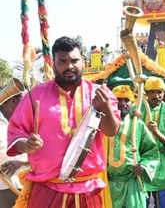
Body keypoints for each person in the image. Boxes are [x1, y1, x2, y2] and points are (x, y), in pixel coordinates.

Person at [7, 36, 121, 208]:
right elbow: (16, 131)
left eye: (74, 60)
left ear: (83, 61)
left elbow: (112, 131)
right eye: (63, 61)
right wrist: (26, 144)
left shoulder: (99, 94)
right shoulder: (36, 95)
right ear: (54, 63)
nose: (69, 66)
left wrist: (105, 107)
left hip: (88, 191)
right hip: (46, 190)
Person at [107, 84, 159, 208]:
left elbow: (151, 151)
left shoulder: (138, 125)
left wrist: (144, 166)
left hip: (132, 183)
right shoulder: (103, 123)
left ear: (132, 103)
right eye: (118, 99)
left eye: (127, 100)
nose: (123, 103)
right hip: (108, 184)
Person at [139, 76, 165, 208]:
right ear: (146, 93)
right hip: (142, 167)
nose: (156, 95)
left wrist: (157, 133)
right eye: (152, 92)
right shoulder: (137, 111)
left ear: (164, 93)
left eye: (159, 92)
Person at [0, 79, 27, 208]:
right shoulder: (1, 126)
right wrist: (29, 158)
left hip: (16, 184)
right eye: (24, 102)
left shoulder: (12, 122)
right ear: (13, 102)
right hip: (6, 188)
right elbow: (4, 158)